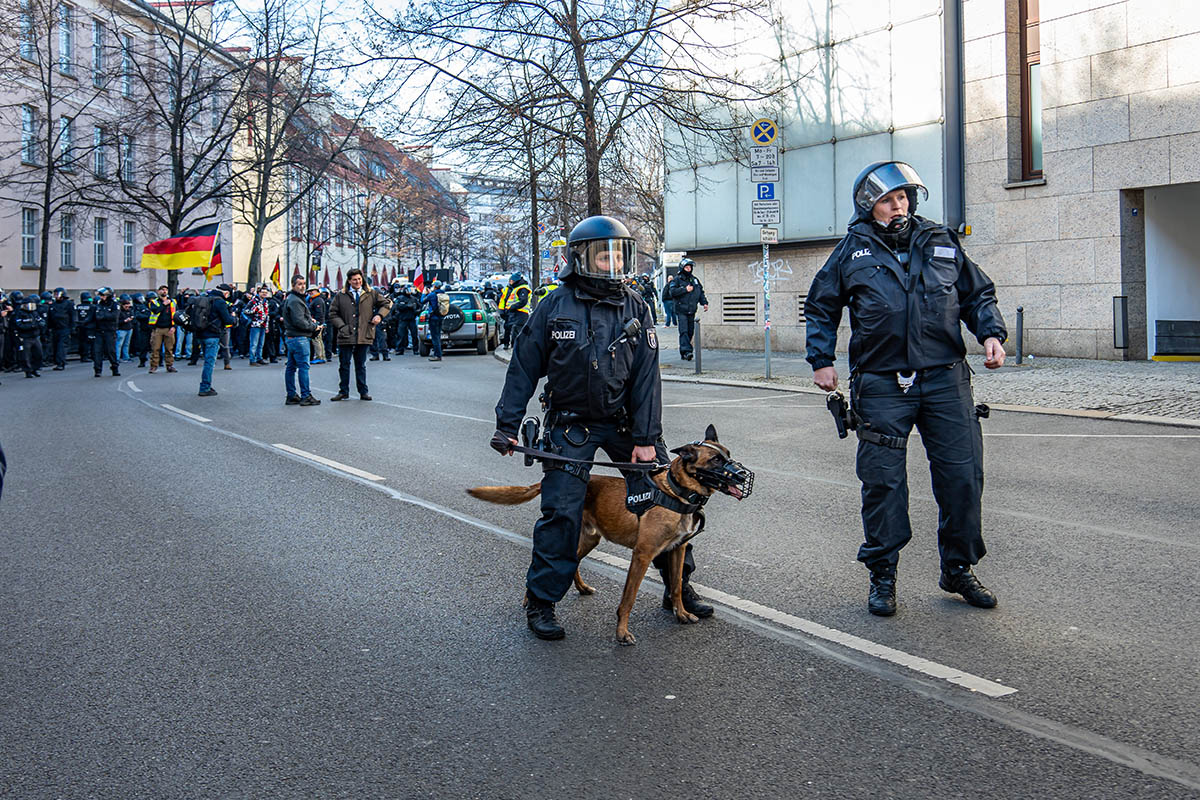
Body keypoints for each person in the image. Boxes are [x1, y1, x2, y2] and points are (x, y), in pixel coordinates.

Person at [491, 215, 711, 640]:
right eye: (602, 253)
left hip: (627, 425)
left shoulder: (636, 305)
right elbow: (523, 366)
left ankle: (678, 589)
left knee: (672, 502)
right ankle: (541, 602)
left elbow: (648, 378)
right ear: (581, 258)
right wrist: (507, 425)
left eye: (617, 253)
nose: (611, 261)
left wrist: (646, 441)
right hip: (570, 425)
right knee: (561, 512)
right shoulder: (554, 305)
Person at [804, 160, 1008, 617]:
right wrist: (821, 359)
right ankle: (883, 574)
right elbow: (821, 306)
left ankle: (957, 568)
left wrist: (991, 333)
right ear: (868, 205)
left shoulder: (941, 241)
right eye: (888, 199)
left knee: (962, 477)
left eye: (903, 198)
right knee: (883, 483)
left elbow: (977, 294)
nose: (898, 206)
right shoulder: (852, 250)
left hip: (945, 379)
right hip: (881, 382)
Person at [328, 267, 392, 401]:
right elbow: (333, 313)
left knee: (360, 365)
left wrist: (379, 316)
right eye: (354, 280)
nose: (357, 282)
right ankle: (343, 391)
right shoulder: (341, 295)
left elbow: (386, 304)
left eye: (359, 279)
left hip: (364, 334)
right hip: (346, 334)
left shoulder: (371, 293)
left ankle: (363, 391)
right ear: (349, 281)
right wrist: (342, 326)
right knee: (344, 365)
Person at [282, 274, 322, 407]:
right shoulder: (295, 300)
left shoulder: (293, 299)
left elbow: (299, 319)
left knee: (291, 367)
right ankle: (306, 395)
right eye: (299, 284)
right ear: (293, 285)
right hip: (299, 337)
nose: (303, 286)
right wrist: (314, 326)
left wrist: (310, 321)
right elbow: (299, 321)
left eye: (304, 283)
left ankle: (292, 395)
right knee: (303, 367)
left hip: (292, 337)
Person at [195, 284, 237, 397]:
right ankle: (205, 387)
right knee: (209, 362)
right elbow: (227, 320)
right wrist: (234, 317)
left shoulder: (205, 298)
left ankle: (206, 385)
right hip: (212, 335)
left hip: (200, 333)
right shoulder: (220, 302)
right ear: (226, 293)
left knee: (207, 360)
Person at [665, 258, 708, 361]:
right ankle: (686, 352)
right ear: (682, 268)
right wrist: (685, 290)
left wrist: (704, 302)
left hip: (691, 309)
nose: (688, 269)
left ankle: (685, 351)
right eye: (686, 267)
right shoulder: (677, 280)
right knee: (683, 331)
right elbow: (672, 292)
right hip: (681, 310)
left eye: (690, 267)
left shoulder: (695, 280)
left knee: (690, 331)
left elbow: (700, 292)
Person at [90, 287, 121, 377]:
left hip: (110, 331)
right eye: (100, 295)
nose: (101, 297)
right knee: (97, 351)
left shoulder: (114, 305)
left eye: (103, 295)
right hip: (99, 331)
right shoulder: (98, 304)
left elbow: (114, 316)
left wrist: (103, 315)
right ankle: (97, 370)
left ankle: (115, 368)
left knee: (111, 351)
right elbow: (95, 316)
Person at [12, 296, 46, 378]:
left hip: (35, 337)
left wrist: (41, 324)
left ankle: (35, 369)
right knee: (25, 356)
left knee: (39, 354)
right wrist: (32, 326)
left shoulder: (34, 313)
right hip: (25, 337)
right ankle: (28, 371)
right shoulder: (19, 314)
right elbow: (19, 325)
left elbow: (41, 321)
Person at [147, 285, 177, 373]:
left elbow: (176, 315)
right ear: (158, 291)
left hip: (169, 328)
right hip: (157, 329)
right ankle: (153, 366)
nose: (164, 291)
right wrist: (164, 305)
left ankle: (170, 365)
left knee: (169, 348)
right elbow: (155, 311)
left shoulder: (173, 302)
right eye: (162, 290)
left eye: (166, 290)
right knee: (155, 348)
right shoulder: (154, 302)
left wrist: (174, 327)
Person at [499, 272, 532, 348]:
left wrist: (512, 307)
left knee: (516, 330)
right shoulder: (516, 288)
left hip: (521, 313)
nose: (510, 282)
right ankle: (513, 346)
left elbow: (523, 301)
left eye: (512, 281)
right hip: (515, 312)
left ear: (516, 281)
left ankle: (516, 347)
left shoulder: (522, 288)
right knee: (512, 329)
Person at [46, 288, 74, 371]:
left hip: (64, 328)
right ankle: (56, 361)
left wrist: (72, 328)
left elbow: (72, 317)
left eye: (57, 294)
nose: (56, 296)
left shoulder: (69, 304)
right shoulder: (53, 305)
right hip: (55, 329)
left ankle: (60, 363)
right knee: (55, 346)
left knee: (61, 346)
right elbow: (49, 317)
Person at [422, 280, 448, 362]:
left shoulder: (432, 295)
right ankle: (438, 353)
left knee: (435, 337)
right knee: (438, 336)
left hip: (433, 318)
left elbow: (422, 301)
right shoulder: (443, 294)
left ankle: (437, 355)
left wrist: (424, 293)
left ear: (435, 286)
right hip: (440, 317)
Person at [392, 285, 421, 355]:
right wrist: (406, 306)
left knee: (414, 335)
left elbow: (420, 307)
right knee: (401, 335)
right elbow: (397, 306)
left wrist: (416, 311)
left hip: (411, 319)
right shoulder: (400, 298)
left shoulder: (414, 299)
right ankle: (399, 349)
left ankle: (415, 349)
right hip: (403, 319)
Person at [246, 285, 271, 366]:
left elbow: (267, 315)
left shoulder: (266, 301)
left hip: (263, 324)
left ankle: (259, 358)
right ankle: (252, 360)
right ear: (259, 293)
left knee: (261, 343)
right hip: (255, 324)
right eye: (263, 292)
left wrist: (267, 326)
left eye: (266, 293)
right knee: (254, 343)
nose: (264, 294)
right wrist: (255, 309)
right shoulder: (254, 301)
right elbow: (246, 311)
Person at [306, 285, 327, 363]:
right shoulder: (315, 299)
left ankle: (319, 356)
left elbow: (320, 313)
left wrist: (318, 323)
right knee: (318, 340)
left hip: (317, 322)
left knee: (316, 339)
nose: (310, 293)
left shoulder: (317, 300)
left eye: (312, 291)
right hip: (317, 322)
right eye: (309, 291)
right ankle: (321, 356)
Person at [73, 291, 95, 363]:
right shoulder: (92, 307)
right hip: (89, 327)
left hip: (80, 326)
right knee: (89, 343)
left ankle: (83, 356)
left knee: (82, 342)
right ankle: (87, 356)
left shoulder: (78, 306)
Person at [132, 293, 151, 367]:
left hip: (151, 328)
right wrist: (147, 316)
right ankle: (142, 360)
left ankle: (159, 360)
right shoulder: (136, 306)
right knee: (143, 346)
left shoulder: (148, 305)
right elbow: (138, 315)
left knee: (155, 345)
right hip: (143, 328)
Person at [116, 294, 135, 362]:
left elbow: (133, 316)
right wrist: (124, 321)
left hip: (129, 328)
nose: (128, 307)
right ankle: (117, 358)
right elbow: (116, 321)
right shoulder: (119, 311)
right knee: (119, 344)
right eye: (126, 305)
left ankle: (126, 357)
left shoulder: (130, 310)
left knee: (126, 344)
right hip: (121, 329)